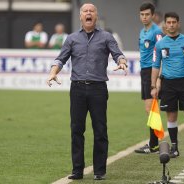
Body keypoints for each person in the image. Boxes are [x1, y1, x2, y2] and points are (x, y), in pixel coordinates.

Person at [46, 3, 128, 180]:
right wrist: (53, 73)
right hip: (77, 89)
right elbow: (60, 59)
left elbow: (117, 54)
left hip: (98, 89)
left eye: (91, 11)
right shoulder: (72, 38)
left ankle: (99, 171)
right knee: (76, 130)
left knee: (100, 130)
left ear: (96, 16)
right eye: (85, 11)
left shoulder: (106, 37)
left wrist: (122, 62)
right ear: (80, 16)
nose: (88, 13)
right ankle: (77, 170)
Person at [151, 12, 184, 158]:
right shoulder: (160, 44)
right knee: (171, 116)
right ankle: (174, 147)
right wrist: (153, 86)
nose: (171, 25)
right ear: (165, 24)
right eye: (168, 22)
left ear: (178, 23)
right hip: (168, 84)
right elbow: (155, 66)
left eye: (174, 22)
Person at [134, 2, 164, 154]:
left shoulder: (156, 31)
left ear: (153, 15)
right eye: (142, 15)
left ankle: (154, 144)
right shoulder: (142, 31)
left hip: (152, 71)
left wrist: (158, 78)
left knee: (150, 108)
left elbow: (161, 52)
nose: (144, 17)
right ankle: (154, 143)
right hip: (144, 71)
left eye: (147, 14)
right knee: (150, 109)